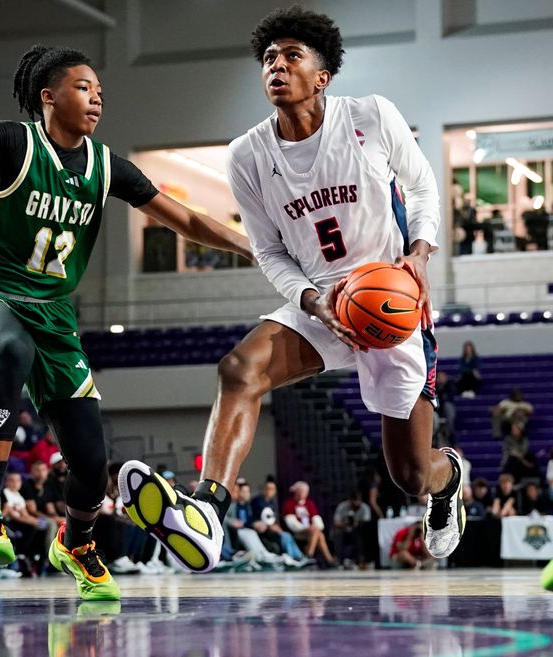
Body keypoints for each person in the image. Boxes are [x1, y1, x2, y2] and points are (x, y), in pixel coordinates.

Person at [0, 44, 251, 601]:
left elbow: (187, 220)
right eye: (83, 86)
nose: (96, 96)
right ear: (48, 96)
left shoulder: (106, 167)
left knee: (93, 463)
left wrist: (251, 246)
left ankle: (76, 543)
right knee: (13, 350)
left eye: (100, 89)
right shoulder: (14, 142)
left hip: (55, 317)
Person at [119, 6, 463, 573]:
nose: (276, 65)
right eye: (268, 58)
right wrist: (310, 300)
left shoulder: (371, 117)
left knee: (409, 476)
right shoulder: (247, 155)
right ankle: (208, 514)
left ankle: (446, 476)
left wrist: (420, 252)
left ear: (322, 75)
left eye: (291, 56)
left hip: (391, 300)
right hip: (322, 300)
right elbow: (268, 251)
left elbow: (424, 186)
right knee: (239, 369)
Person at [282, 481, 335, 565]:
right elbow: (291, 523)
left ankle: (309, 556)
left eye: (305, 491)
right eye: (301, 491)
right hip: (298, 532)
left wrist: (313, 527)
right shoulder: (289, 504)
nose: (303, 493)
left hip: (311, 531)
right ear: (296, 492)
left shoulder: (310, 504)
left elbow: (317, 520)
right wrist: (306, 528)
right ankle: (329, 559)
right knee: (318, 533)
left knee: (318, 533)